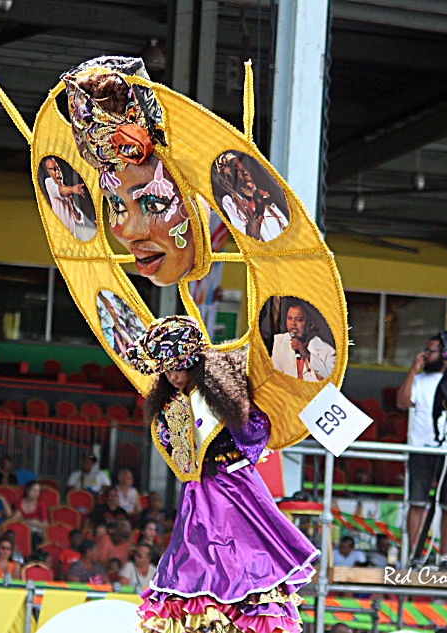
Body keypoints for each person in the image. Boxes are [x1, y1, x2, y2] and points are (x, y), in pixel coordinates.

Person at [125, 315, 318, 633]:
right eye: (167, 370)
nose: (173, 376)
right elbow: (182, 459)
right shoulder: (173, 407)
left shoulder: (224, 395)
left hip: (235, 486)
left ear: (194, 364)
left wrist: (234, 423)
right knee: (196, 559)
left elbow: (256, 431)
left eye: (178, 367)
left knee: (244, 558)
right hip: (199, 491)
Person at [396, 331, 447, 559]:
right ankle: (415, 555)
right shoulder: (420, 380)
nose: (424, 355)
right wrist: (413, 369)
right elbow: (402, 403)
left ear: (446, 354)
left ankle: (445, 557)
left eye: (430, 351)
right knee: (417, 502)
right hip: (421, 449)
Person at [214, 150, 289, 241]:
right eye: (236, 170)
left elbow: (287, 233)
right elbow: (249, 241)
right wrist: (259, 209)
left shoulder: (271, 205)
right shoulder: (230, 202)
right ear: (227, 180)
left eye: (244, 168)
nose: (245, 172)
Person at [270, 301, 336, 381]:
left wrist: (308, 355)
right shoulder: (280, 341)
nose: (293, 323)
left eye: (299, 320)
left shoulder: (327, 350)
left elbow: (330, 381)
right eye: (289, 318)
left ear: (310, 325)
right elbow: (275, 377)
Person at [43, 157, 93, 239]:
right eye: (53, 169)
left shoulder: (67, 193)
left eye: (58, 168)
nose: (58, 172)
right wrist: (73, 189)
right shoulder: (49, 182)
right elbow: (60, 190)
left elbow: (79, 219)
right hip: (59, 238)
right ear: (48, 172)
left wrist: (72, 205)